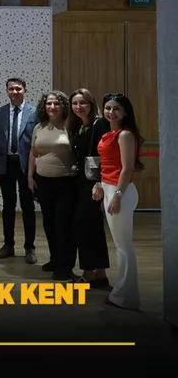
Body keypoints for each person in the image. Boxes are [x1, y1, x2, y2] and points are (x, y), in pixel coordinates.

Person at [93, 93, 144, 310]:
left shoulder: (125, 135)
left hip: (120, 191)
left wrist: (117, 196)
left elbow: (127, 168)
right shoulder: (108, 134)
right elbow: (106, 165)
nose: (111, 112)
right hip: (109, 188)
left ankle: (126, 297)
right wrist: (100, 185)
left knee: (124, 246)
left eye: (116, 109)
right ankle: (123, 294)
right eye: (108, 108)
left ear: (124, 112)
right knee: (120, 244)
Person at [28, 91, 78, 280]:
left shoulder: (70, 126)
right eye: (49, 103)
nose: (52, 107)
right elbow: (33, 153)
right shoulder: (39, 127)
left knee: (63, 226)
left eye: (57, 103)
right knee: (49, 223)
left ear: (64, 106)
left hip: (67, 182)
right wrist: (30, 176)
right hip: (43, 182)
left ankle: (65, 267)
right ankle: (55, 259)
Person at [0, 78, 38, 263]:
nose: (14, 92)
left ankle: (30, 247)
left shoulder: (34, 112)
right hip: (6, 165)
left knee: (28, 206)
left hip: (27, 166)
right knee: (8, 206)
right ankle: (8, 244)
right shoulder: (0, 113)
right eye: (11, 89)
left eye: (18, 88)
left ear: (25, 90)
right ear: (7, 91)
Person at [66, 88, 110, 287]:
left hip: (94, 184)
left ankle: (89, 272)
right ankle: (99, 274)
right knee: (92, 227)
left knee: (83, 225)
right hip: (81, 182)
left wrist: (100, 183)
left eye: (83, 102)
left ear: (91, 104)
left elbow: (106, 156)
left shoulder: (99, 125)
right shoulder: (78, 126)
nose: (79, 107)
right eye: (75, 103)